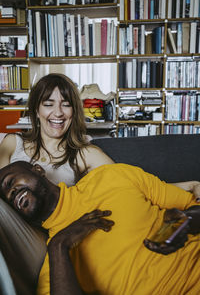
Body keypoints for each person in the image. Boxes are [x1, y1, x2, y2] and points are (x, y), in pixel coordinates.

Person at [0, 161, 200, 295]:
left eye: (10, 182)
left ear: (37, 170)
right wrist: (59, 245)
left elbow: (192, 205)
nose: (11, 193)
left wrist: (185, 221)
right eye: (6, 196)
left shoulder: (110, 176)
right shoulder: (56, 266)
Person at [0, 73, 114, 185]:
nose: (58, 113)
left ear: (74, 111)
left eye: (66, 105)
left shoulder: (86, 154)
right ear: (36, 110)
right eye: (48, 104)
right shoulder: (12, 143)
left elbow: (124, 183)